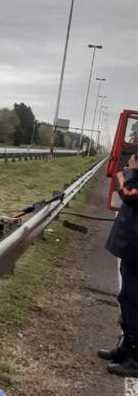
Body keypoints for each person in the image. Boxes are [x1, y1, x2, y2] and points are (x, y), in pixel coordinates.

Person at [100, 154, 138, 377]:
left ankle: (136, 358)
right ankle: (127, 348)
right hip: (132, 248)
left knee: (133, 299)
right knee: (127, 297)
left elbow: (130, 194)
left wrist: (131, 171)